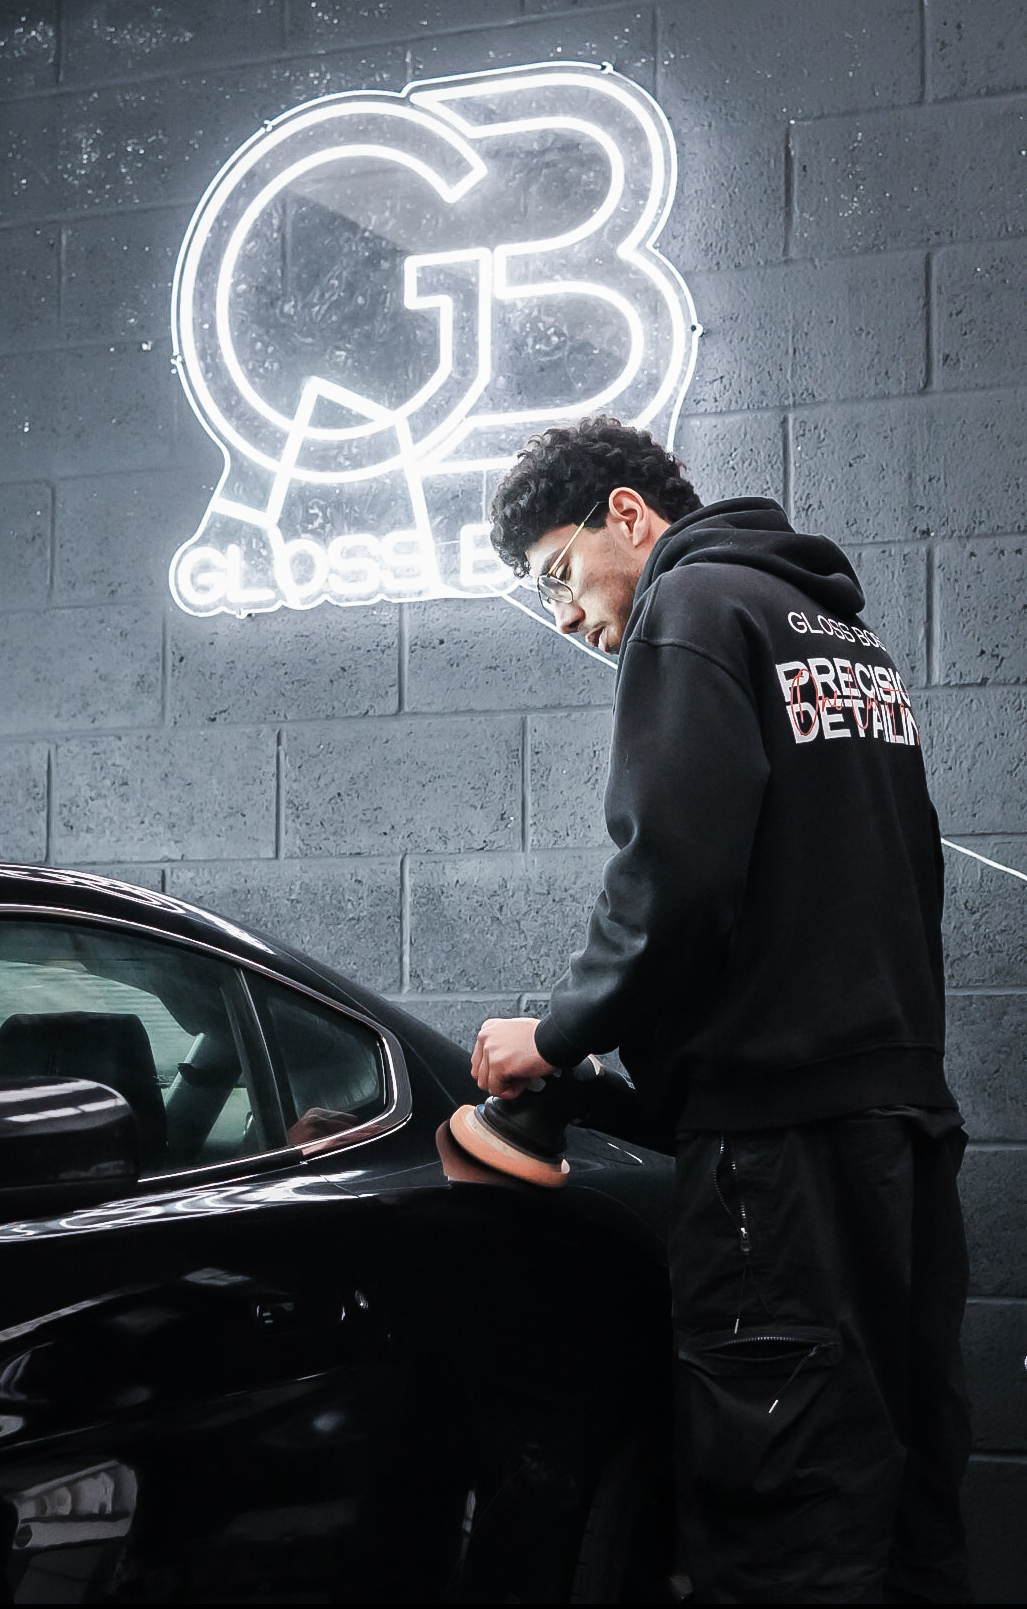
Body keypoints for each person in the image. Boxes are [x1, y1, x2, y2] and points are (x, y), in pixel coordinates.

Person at [470, 416, 970, 1604]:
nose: (566, 617)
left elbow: (678, 871)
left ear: (627, 517)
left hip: (777, 1164)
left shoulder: (688, 615)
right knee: (900, 1502)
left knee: (782, 1516)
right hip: (899, 1140)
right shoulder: (839, 632)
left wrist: (556, 1034)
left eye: (557, 575)